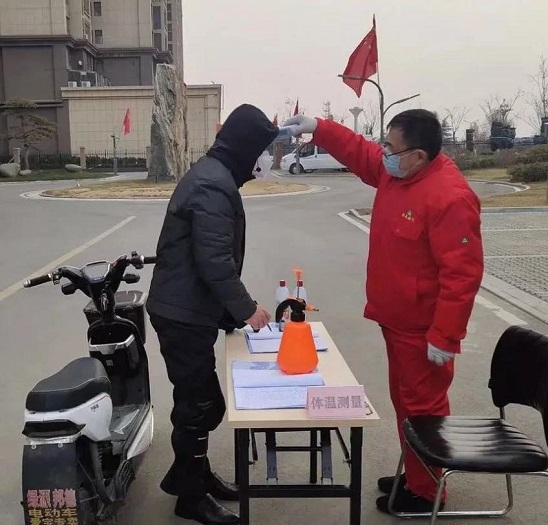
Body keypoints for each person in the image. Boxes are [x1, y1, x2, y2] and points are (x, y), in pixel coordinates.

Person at [283, 110, 484, 515]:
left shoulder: (449, 196)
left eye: (391, 148)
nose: (384, 154)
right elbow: (359, 152)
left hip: (424, 331)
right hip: (397, 321)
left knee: (424, 409)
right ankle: (416, 473)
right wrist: (320, 128)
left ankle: (426, 493)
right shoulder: (399, 172)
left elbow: (462, 274)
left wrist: (445, 335)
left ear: (418, 155)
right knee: (406, 404)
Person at [147, 104, 278, 524]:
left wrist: (229, 313)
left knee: (198, 403)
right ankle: (191, 497)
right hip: (182, 314)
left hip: (187, 309)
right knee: (201, 406)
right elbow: (214, 261)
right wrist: (247, 309)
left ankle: (191, 477)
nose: (264, 160)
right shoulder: (213, 185)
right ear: (245, 148)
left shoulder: (215, 176)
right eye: (261, 150)